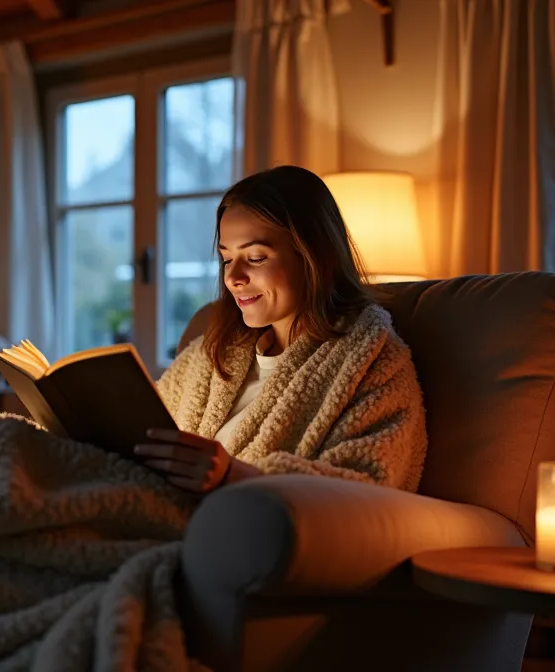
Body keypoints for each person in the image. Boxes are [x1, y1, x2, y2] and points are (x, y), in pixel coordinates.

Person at [135, 165, 428, 495]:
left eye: (256, 257)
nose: (233, 278)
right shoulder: (212, 354)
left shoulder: (372, 362)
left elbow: (367, 486)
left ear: (314, 256)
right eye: (227, 258)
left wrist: (232, 476)